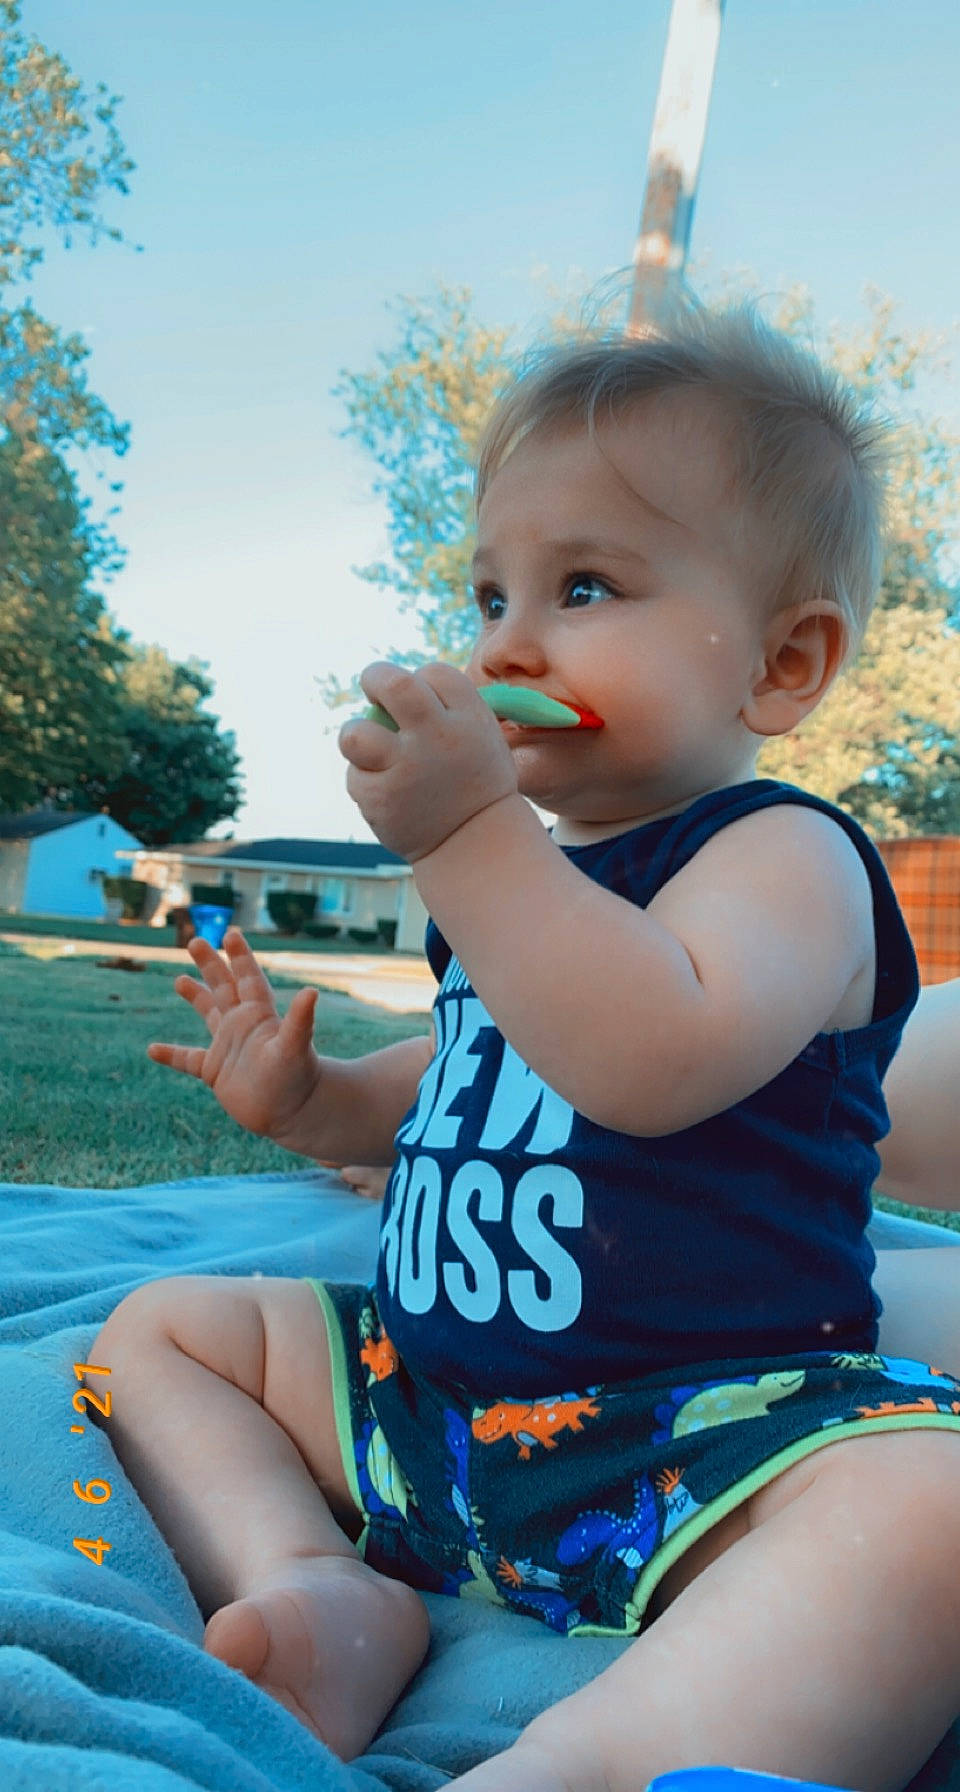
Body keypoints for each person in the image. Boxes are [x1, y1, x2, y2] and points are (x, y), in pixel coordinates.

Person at [86, 307, 960, 1792]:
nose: (505, 643)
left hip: (696, 1434)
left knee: (931, 1509)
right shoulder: (524, 881)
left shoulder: (787, 860)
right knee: (164, 1330)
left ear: (783, 662)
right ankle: (313, 1576)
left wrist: (471, 841)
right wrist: (312, 1099)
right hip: (432, 1409)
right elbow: (465, 1075)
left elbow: (647, 1057)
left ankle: (597, 1760)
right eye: (489, 593)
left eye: (584, 586)